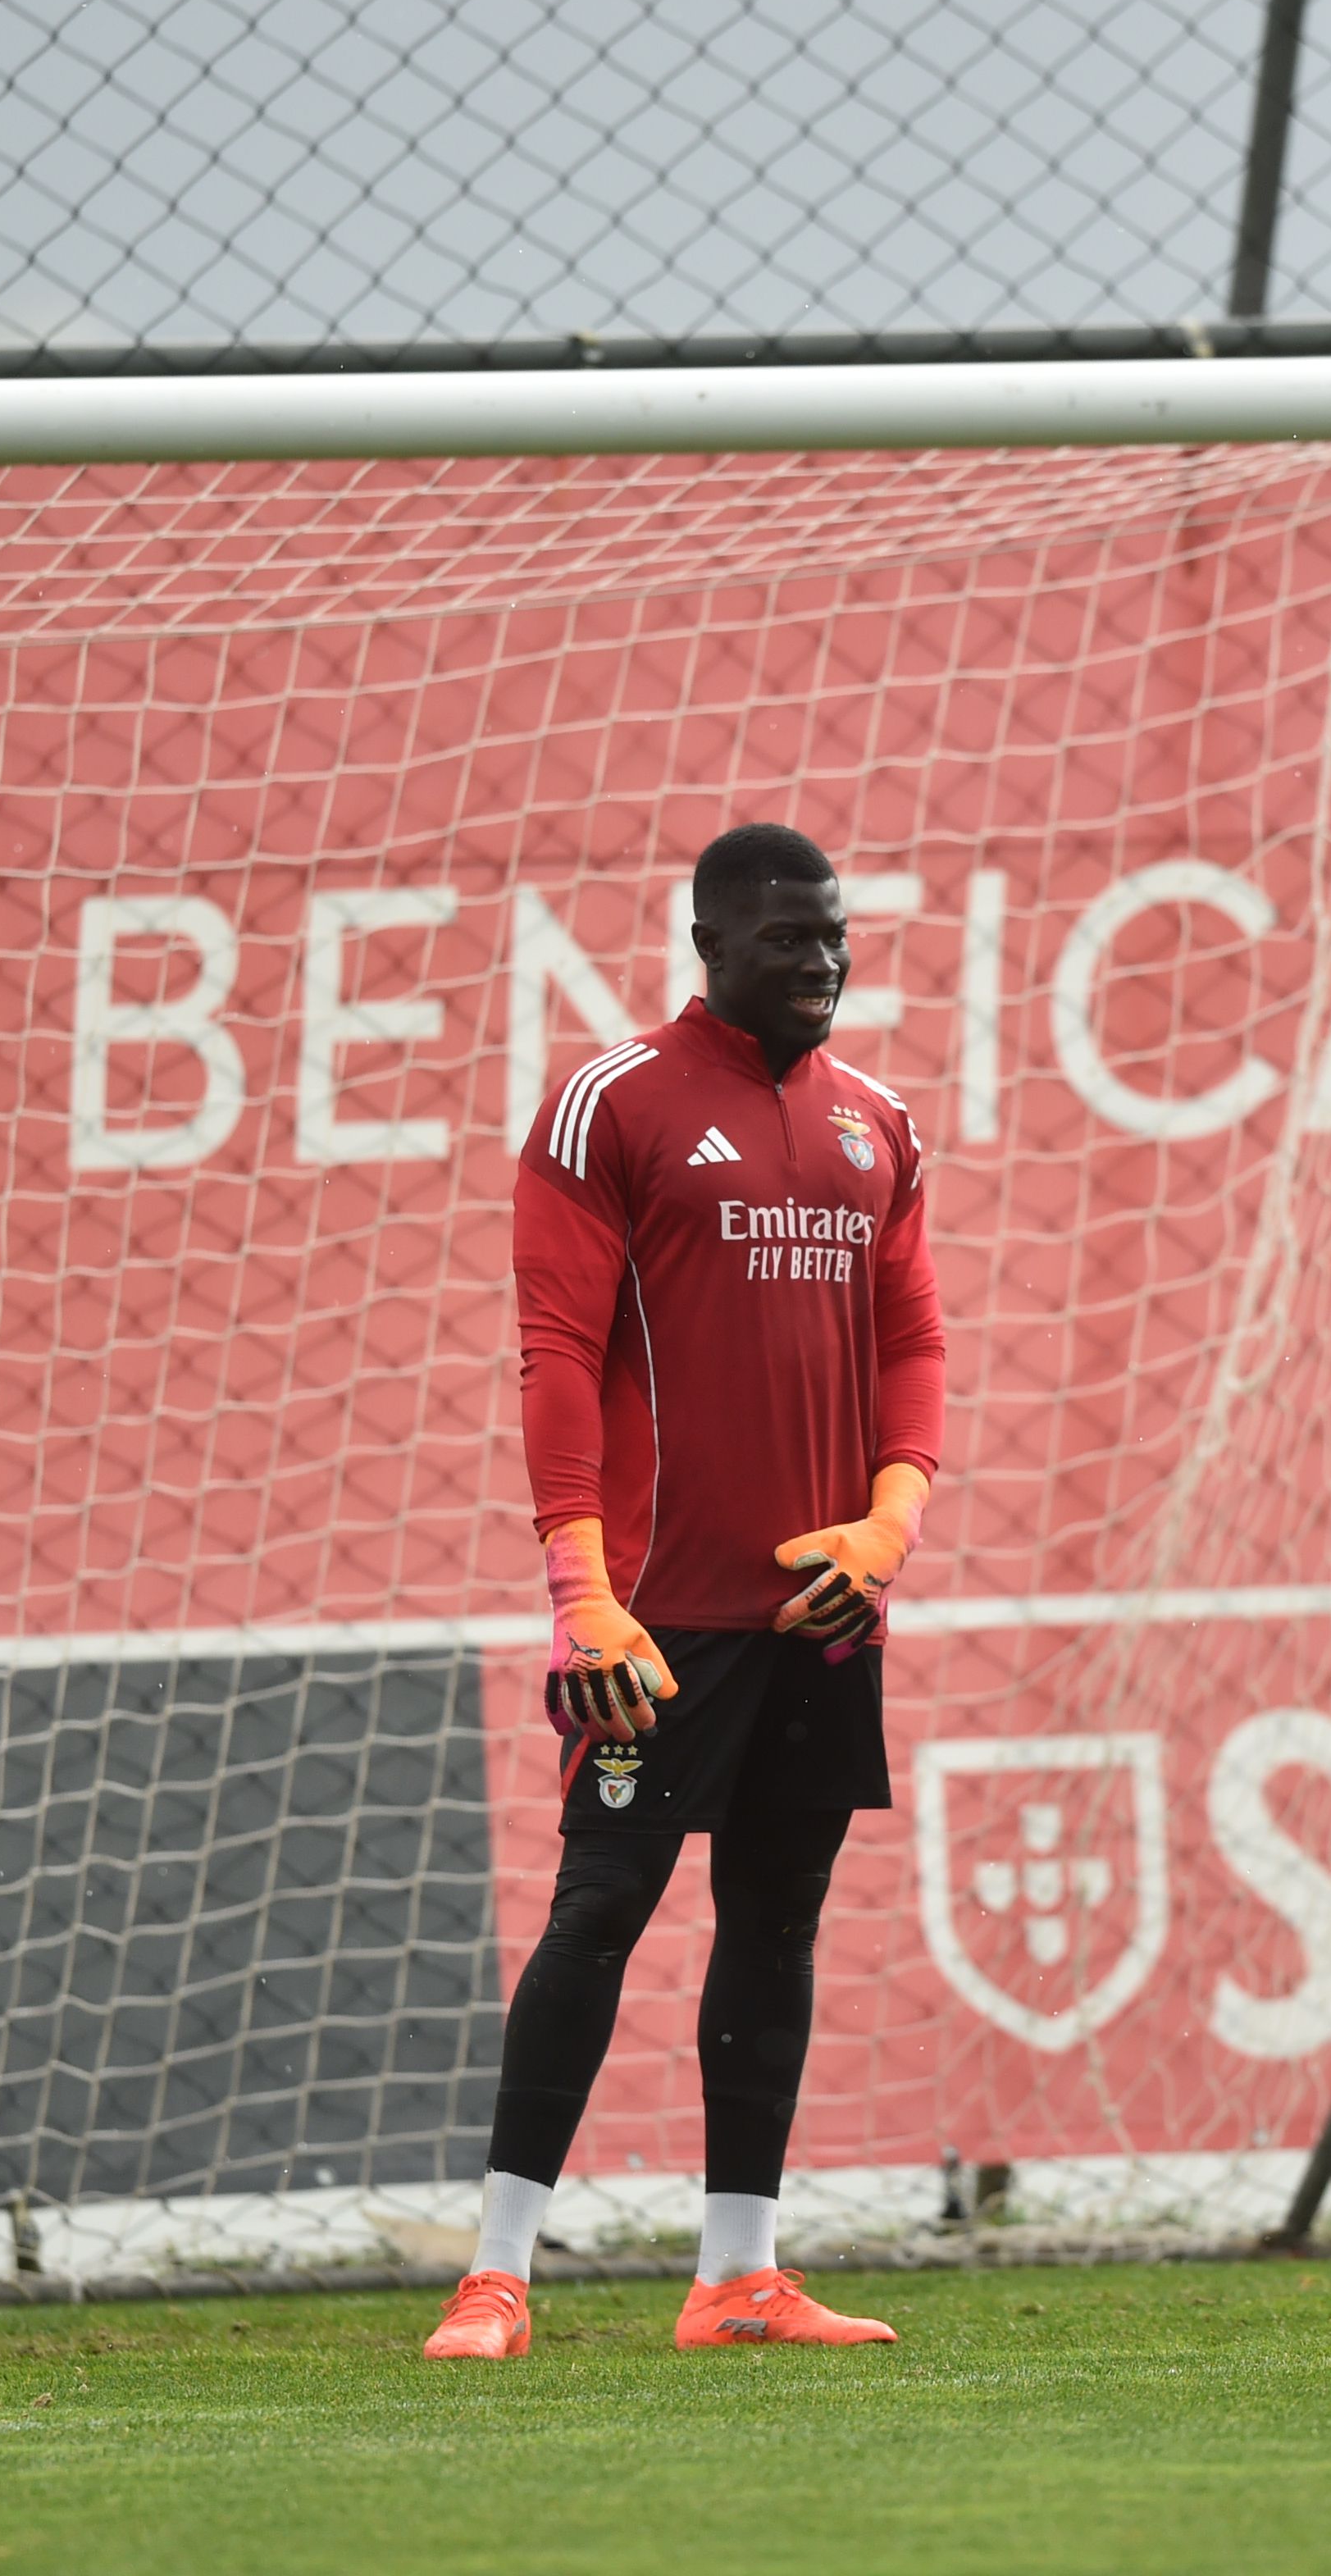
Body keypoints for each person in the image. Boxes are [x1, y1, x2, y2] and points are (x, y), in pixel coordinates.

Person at [423, 823, 943, 2361]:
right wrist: (580, 1591)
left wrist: (887, 1530)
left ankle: (739, 2279)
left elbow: (913, 1348)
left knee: (775, 1919)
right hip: (651, 1618)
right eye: (791, 940)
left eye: (837, 937)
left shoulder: (879, 1124)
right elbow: (557, 1360)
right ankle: (498, 2274)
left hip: (820, 1610)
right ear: (713, 942)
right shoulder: (610, 1109)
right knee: (600, 1911)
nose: (824, 962)